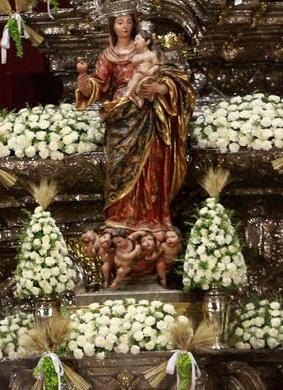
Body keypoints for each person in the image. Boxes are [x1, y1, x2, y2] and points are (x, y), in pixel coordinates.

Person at [74, 9, 194, 232]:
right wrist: (83, 79)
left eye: (129, 22)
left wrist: (159, 87)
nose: (125, 26)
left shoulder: (149, 51)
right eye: (120, 22)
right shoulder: (107, 55)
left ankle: (151, 217)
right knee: (119, 164)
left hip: (148, 113)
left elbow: (172, 78)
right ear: (112, 26)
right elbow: (99, 85)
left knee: (151, 163)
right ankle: (120, 216)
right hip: (121, 115)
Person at [119, 31, 159, 104]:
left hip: (146, 76)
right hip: (136, 76)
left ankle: (127, 95)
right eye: (134, 40)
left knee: (136, 77)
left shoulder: (151, 54)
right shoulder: (135, 55)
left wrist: (152, 70)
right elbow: (132, 62)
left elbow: (156, 65)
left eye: (138, 39)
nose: (135, 42)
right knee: (130, 84)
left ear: (147, 42)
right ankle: (137, 99)